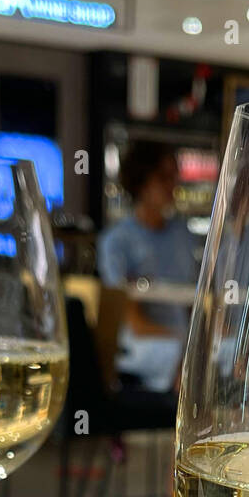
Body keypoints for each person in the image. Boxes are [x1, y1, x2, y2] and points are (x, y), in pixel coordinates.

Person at [97, 142, 199, 393]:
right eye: (163, 177)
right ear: (142, 182)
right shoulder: (117, 241)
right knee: (186, 358)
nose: (172, 185)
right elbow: (133, 322)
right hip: (140, 344)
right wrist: (189, 343)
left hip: (181, 338)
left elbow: (195, 304)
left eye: (174, 176)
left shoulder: (182, 235)